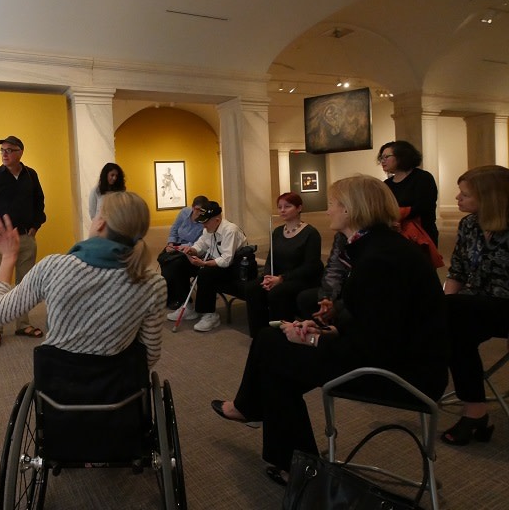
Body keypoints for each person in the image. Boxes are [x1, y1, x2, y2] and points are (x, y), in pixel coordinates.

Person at [210, 175, 448, 485]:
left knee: (272, 350)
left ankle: (276, 441)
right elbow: (377, 321)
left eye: (333, 203)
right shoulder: (379, 247)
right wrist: (327, 329)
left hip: (402, 375)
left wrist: (312, 340)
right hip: (394, 358)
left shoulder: (378, 259)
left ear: (351, 209)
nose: (328, 210)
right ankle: (285, 453)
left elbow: (374, 347)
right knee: (273, 348)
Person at [0, 191, 167, 368]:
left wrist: (8, 257)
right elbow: (150, 355)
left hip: (58, 384)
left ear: (101, 224)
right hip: (118, 386)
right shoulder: (154, 284)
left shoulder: (53, 268)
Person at [441, 165, 509, 446]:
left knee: (451, 316)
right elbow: (456, 271)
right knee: (451, 329)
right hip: (474, 306)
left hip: (505, 307)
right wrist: (445, 305)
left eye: (465, 194)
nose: (457, 198)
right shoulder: (469, 224)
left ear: (490, 197)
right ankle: (475, 411)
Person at [0, 135, 46, 348]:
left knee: (25, 285)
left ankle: (23, 324)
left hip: (25, 238)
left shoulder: (31, 175)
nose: (4, 154)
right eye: (2, 150)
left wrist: (35, 226)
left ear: (20, 152)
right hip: (1, 241)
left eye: (9, 150)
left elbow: (39, 203)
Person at [244, 193, 323, 336]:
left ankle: (280, 335)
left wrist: (281, 278)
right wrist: (267, 276)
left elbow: (311, 266)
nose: (282, 210)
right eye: (279, 207)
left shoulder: (311, 233)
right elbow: (271, 258)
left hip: (300, 278)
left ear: (299, 208)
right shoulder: (278, 231)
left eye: (287, 206)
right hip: (278, 276)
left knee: (278, 293)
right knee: (252, 288)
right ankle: (260, 334)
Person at [168, 202, 247, 333]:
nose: (203, 225)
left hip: (234, 267)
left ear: (217, 220)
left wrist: (204, 264)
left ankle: (210, 314)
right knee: (178, 264)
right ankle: (187, 306)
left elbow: (226, 260)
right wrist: (191, 250)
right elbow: (200, 246)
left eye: (206, 222)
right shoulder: (208, 230)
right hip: (213, 262)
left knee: (205, 273)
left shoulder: (230, 230)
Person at [378, 140, 439, 246]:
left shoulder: (423, 177)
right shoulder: (386, 184)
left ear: (401, 156)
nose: (383, 161)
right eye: (381, 158)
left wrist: (396, 215)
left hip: (420, 233)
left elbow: (423, 206)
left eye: (386, 157)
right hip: (395, 234)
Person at [158, 195, 209, 309]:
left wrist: (182, 248)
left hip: (190, 249)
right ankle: (170, 295)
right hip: (177, 244)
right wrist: (171, 243)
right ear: (192, 207)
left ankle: (180, 297)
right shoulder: (184, 213)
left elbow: (200, 243)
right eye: (197, 209)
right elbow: (174, 229)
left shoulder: (205, 222)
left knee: (174, 264)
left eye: (202, 211)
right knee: (163, 258)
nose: (199, 213)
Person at [295, 231, 348, 323]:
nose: (328, 215)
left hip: (358, 292)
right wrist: (326, 297)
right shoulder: (341, 236)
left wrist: (338, 306)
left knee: (345, 314)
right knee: (306, 298)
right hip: (342, 286)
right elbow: (334, 269)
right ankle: (315, 329)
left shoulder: (370, 239)